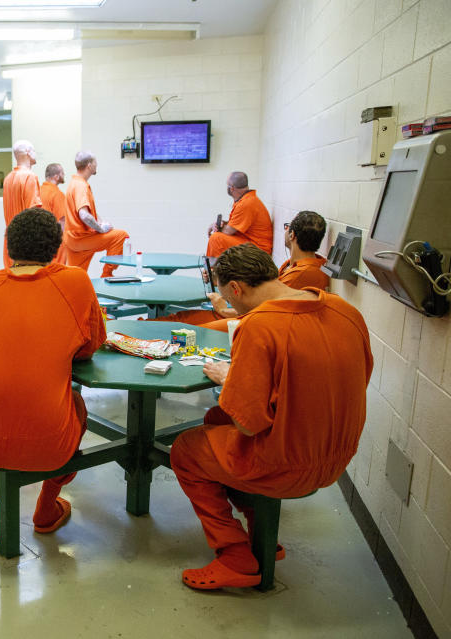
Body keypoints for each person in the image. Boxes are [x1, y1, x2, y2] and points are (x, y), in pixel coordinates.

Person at [170, 243, 373, 590]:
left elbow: (248, 424)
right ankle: (260, 532)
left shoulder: (258, 326)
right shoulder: (345, 311)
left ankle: (235, 555)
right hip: (337, 458)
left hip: (285, 465)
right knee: (215, 420)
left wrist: (230, 377)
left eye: (228, 300)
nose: (231, 307)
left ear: (236, 288)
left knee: (186, 450)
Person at [0, 208, 106, 544]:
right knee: (78, 406)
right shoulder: (77, 283)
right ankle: (46, 505)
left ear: (8, 247)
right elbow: (90, 347)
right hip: (52, 446)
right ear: (57, 250)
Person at [154, 210, 331, 331]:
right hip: (246, 313)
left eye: (286, 227)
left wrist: (225, 310)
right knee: (183, 317)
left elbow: (264, 308)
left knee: (185, 325)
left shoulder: (304, 273)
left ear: (292, 235)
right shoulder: (296, 266)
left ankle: (144, 332)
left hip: (248, 320)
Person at [63, 151, 129, 277]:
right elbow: (85, 215)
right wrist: (101, 229)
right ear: (89, 165)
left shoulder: (74, 183)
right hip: (82, 238)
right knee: (120, 236)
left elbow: (89, 212)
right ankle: (107, 275)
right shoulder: (81, 185)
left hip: (72, 239)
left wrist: (101, 222)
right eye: (95, 162)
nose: (96, 165)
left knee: (75, 277)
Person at [206, 171, 273, 257]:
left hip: (259, 250)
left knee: (216, 239)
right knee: (218, 237)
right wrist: (221, 224)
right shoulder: (248, 199)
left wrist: (215, 227)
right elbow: (233, 226)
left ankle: (212, 269)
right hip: (250, 243)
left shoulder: (246, 203)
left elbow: (228, 231)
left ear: (232, 188)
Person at [1, 140, 43, 267]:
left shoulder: (8, 178)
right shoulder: (29, 176)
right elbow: (33, 214)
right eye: (34, 150)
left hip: (10, 244)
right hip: (26, 247)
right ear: (29, 153)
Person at [39, 162, 70, 264]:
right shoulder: (57, 194)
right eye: (62, 173)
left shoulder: (38, 191)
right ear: (56, 176)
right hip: (55, 242)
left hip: (39, 241)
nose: (64, 175)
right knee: (57, 271)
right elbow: (62, 221)